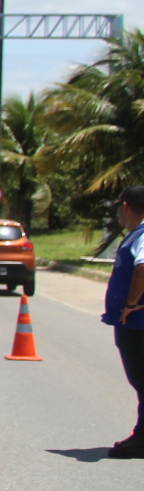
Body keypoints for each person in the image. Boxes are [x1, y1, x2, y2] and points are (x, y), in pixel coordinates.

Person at [102, 184, 144, 458]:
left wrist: (131, 303)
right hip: (132, 324)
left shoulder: (141, 235)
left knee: (142, 380)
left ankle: (140, 440)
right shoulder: (134, 235)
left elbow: (142, 267)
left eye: (119, 206)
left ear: (125, 206)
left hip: (138, 325)